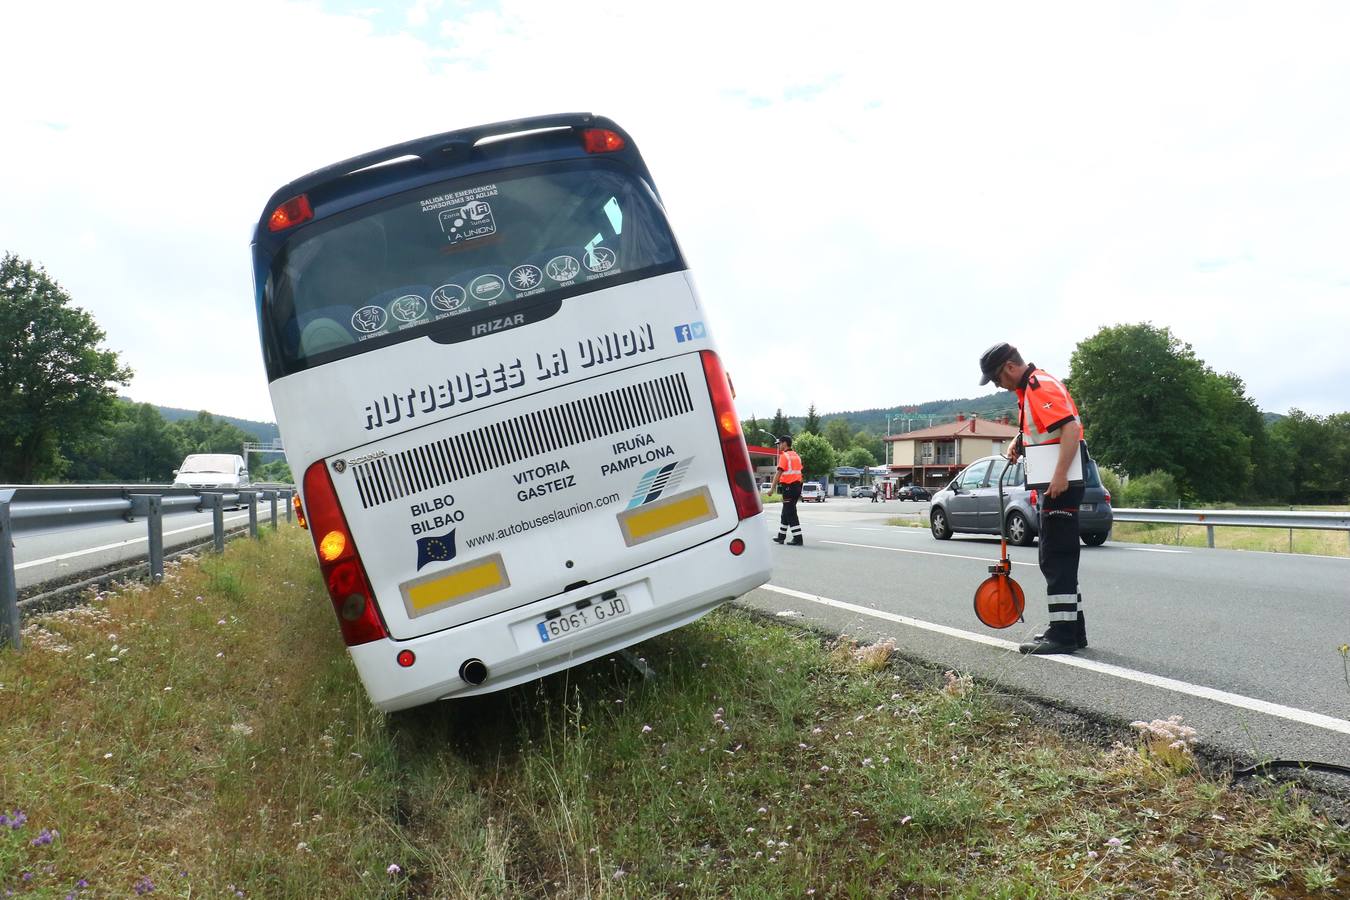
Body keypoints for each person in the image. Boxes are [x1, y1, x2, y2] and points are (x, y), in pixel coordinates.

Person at [979, 342, 1088, 654]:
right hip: (1056, 484)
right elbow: (1048, 429)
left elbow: (1069, 428)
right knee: (1058, 558)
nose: (998, 385)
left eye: (997, 379)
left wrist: (1060, 475)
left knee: (1056, 558)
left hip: (1060, 485)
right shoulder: (1030, 391)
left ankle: (1062, 635)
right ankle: (1071, 630)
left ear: (1010, 368)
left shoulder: (1039, 387)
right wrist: (1019, 439)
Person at [769, 435, 804, 546]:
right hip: (797, 487)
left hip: (789, 487)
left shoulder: (785, 456)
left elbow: (778, 473)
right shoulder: (796, 456)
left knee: (791, 513)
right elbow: (799, 473)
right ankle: (781, 537)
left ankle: (798, 538)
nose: (778, 446)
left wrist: (772, 488)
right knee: (785, 513)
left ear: (784, 443)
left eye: (779, 443)